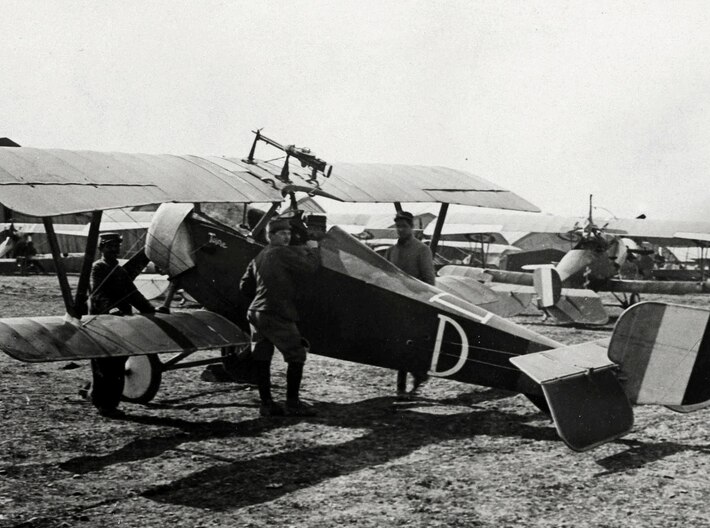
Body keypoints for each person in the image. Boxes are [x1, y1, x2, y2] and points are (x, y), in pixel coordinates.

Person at [239, 217, 320, 417]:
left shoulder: (259, 256)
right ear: (271, 236)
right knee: (297, 355)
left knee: (262, 358)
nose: (287, 237)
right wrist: (313, 247)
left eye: (288, 233)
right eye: (282, 233)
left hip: (257, 312)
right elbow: (310, 267)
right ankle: (293, 403)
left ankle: (266, 404)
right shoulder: (281, 252)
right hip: (276, 312)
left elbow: (244, 286)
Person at [87, 232, 156, 417]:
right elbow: (98, 293)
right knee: (105, 363)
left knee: (118, 362)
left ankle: (100, 396)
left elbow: (133, 293)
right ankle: (105, 405)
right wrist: (110, 310)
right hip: (102, 320)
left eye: (116, 246)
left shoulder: (118, 269)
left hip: (121, 320)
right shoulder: (98, 268)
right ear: (101, 248)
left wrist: (149, 309)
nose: (114, 250)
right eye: (109, 246)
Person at [385, 211, 436, 398]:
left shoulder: (422, 249)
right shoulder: (392, 250)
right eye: (398, 226)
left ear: (411, 228)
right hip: (397, 305)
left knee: (410, 345)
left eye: (404, 226)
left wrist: (424, 302)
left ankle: (415, 377)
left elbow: (429, 280)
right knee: (400, 345)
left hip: (415, 304)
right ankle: (405, 384)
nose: (400, 230)